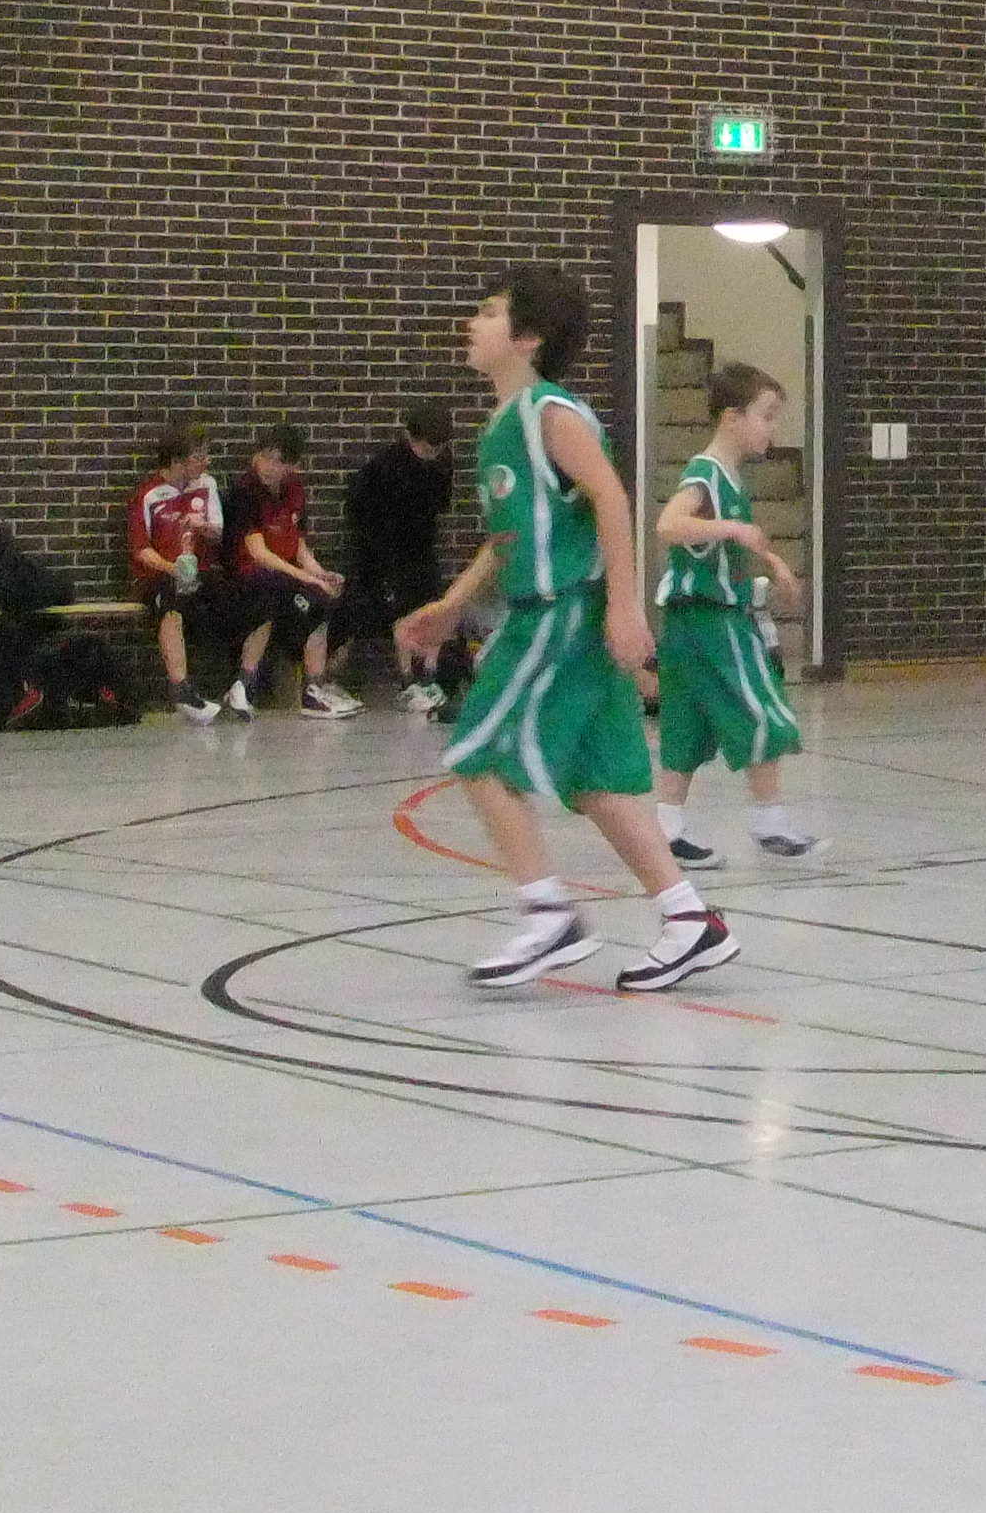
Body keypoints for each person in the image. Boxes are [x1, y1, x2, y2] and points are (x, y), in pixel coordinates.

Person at [398, 267, 735, 994]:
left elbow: (612, 499)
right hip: (551, 609)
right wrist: (452, 604)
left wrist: (625, 606)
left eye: (488, 312)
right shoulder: (501, 425)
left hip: (562, 614)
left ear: (528, 338)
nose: (471, 323)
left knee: (479, 753)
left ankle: (548, 914)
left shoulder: (551, 413)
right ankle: (689, 920)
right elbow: (508, 539)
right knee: (599, 783)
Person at [651, 361, 814, 867]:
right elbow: (668, 525)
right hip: (712, 620)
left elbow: (733, 544)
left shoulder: (728, 478)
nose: (772, 429)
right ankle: (769, 820)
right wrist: (732, 530)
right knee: (763, 708)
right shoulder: (705, 473)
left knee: (687, 722)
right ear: (731, 417)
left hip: (686, 624)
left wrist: (772, 562)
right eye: (766, 416)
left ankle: (667, 827)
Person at [341, 402, 468, 715]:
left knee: (435, 612)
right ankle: (407, 681)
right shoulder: (385, 467)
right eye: (425, 447)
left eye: (437, 448)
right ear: (410, 437)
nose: (431, 454)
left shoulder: (442, 465)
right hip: (386, 553)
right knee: (401, 616)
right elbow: (359, 512)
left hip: (422, 549)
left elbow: (440, 505)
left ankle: (430, 676)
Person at [225, 426, 361, 718]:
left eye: (278, 462)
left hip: (286, 576)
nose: (269, 467)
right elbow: (258, 553)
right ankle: (248, 684)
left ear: (293, 466)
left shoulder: (294, 490)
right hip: (250, 574)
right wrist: (305, 578)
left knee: (343, 600)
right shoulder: (244, 492)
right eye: (265, 457)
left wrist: (319, 573)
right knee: (306, 598)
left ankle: (321, 684)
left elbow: (298, 544)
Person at [123, 421, 229, 726]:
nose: (205, 462)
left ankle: (241, 685)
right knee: (170, 600)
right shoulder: (148, 494)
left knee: (239, 597)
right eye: (198, 457)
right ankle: (181, 688)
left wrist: (204, 528)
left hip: (201, 572)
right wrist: (173, 568)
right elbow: (141, 549)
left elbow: (218, 533)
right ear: (177, 461)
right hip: (160, 574)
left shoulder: (206, 485)